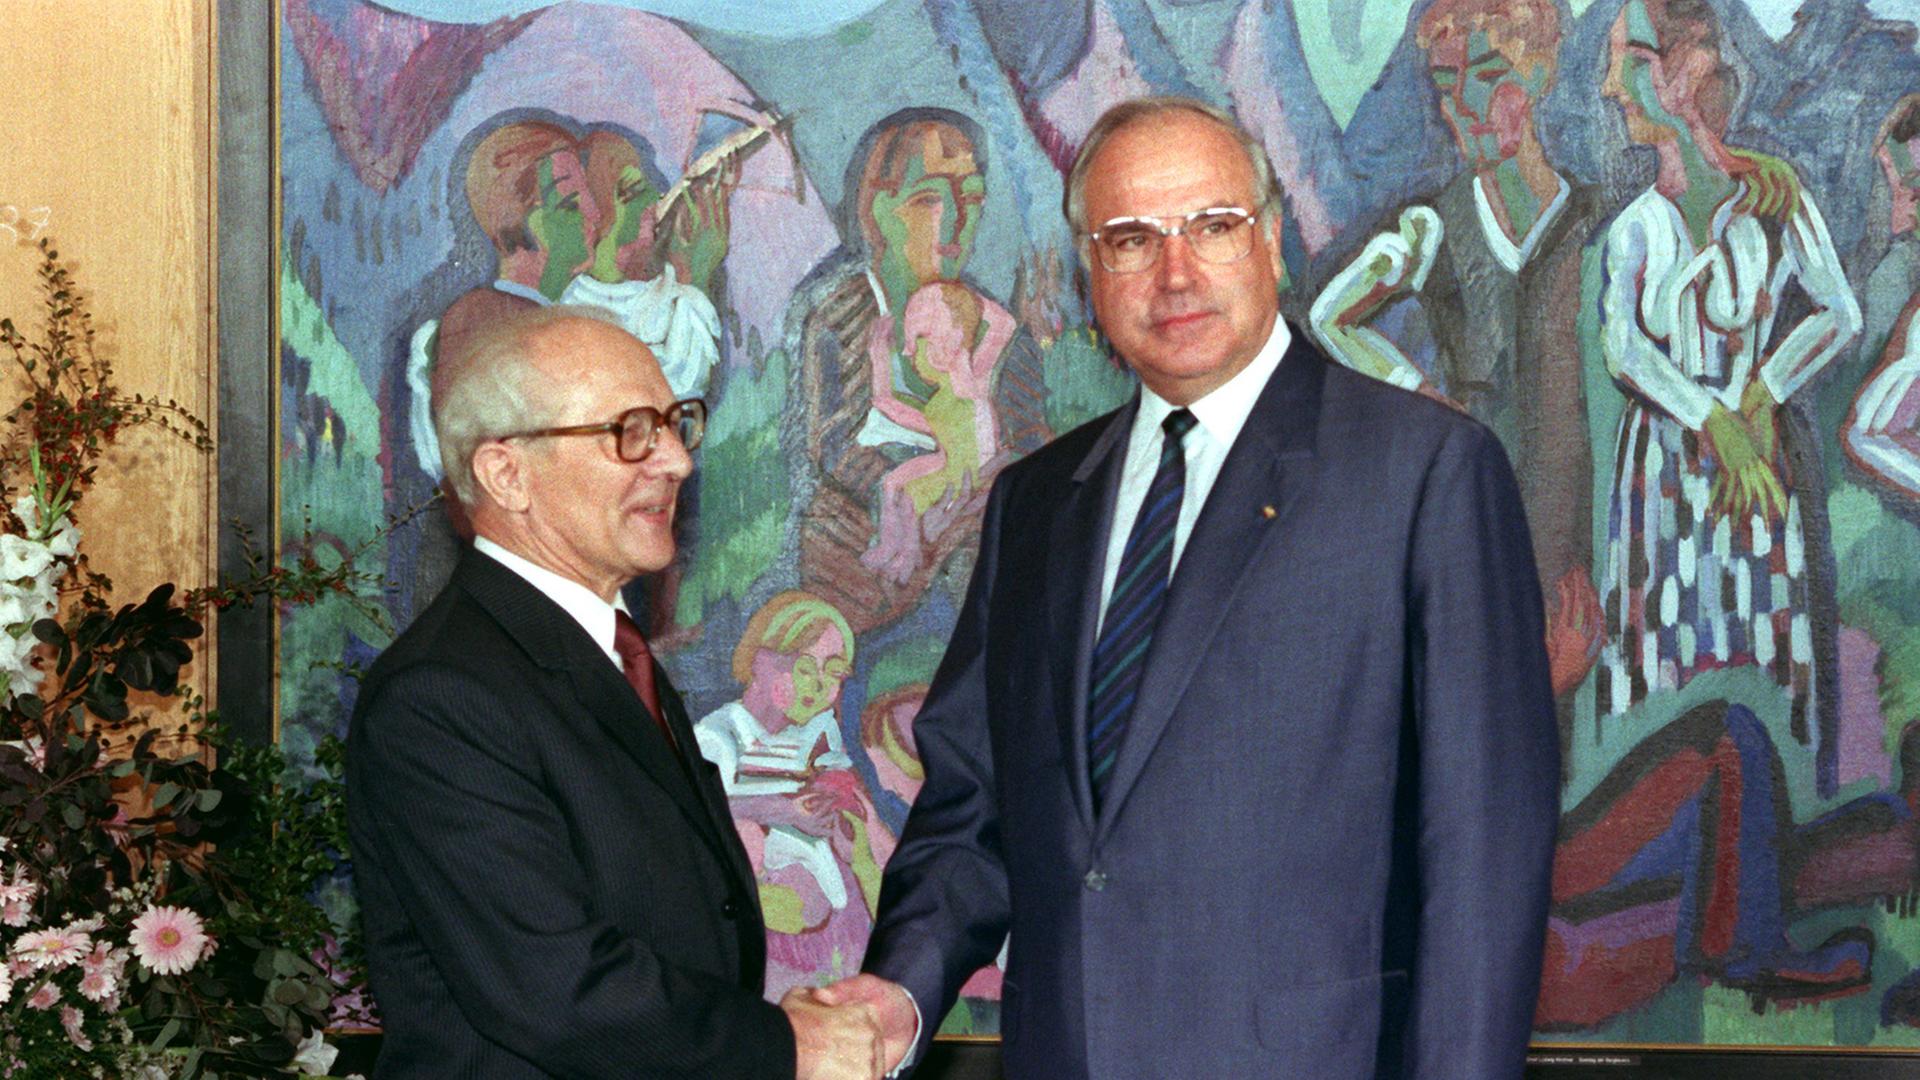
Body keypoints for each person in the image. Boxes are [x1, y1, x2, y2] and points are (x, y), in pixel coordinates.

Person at [816, 97, 1559, 1077]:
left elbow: (1481, 861)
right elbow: (972, 813)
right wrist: (897, 996)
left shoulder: (1425, 474)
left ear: (1273, 240)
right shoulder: (1034, 505)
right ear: (1089, 268)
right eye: (1131, 238)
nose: (1176, 274)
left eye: (1213, 226)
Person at [347, 305, 883, 1079]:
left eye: (674, 423)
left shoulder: (611, 653)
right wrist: (783, 1048)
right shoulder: (441, 698)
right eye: (630, 430)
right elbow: (554, 989)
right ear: (507, 473)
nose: (674, 461)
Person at [1591, 0, 1859, 751]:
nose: (1612, 86)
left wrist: (1760, 392)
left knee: (1757, 635)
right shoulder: (1638, 225)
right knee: (1664, 653)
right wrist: (1714, 421)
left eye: (1630, 64)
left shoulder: (1774, 200)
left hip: (1755, 460)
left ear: (1682, 75)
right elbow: (1625, 350)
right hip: (1665, 470)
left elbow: (1839, 313)